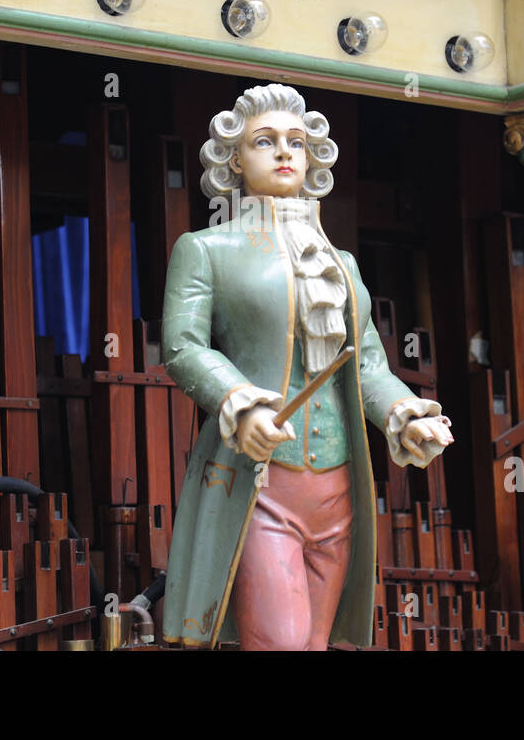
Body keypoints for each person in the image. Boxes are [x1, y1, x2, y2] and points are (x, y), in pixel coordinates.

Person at [160, 83, 453, 650]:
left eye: (296, 142)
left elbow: (366, 362)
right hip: (260, 480)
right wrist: (237, 401)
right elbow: (183, 347)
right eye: (264, 142)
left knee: (318, 642)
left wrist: (403, 413)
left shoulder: (341, 263)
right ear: (233, 159)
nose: (284, 152)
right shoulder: (205, 249)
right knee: (281, 641)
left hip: (338, 485)